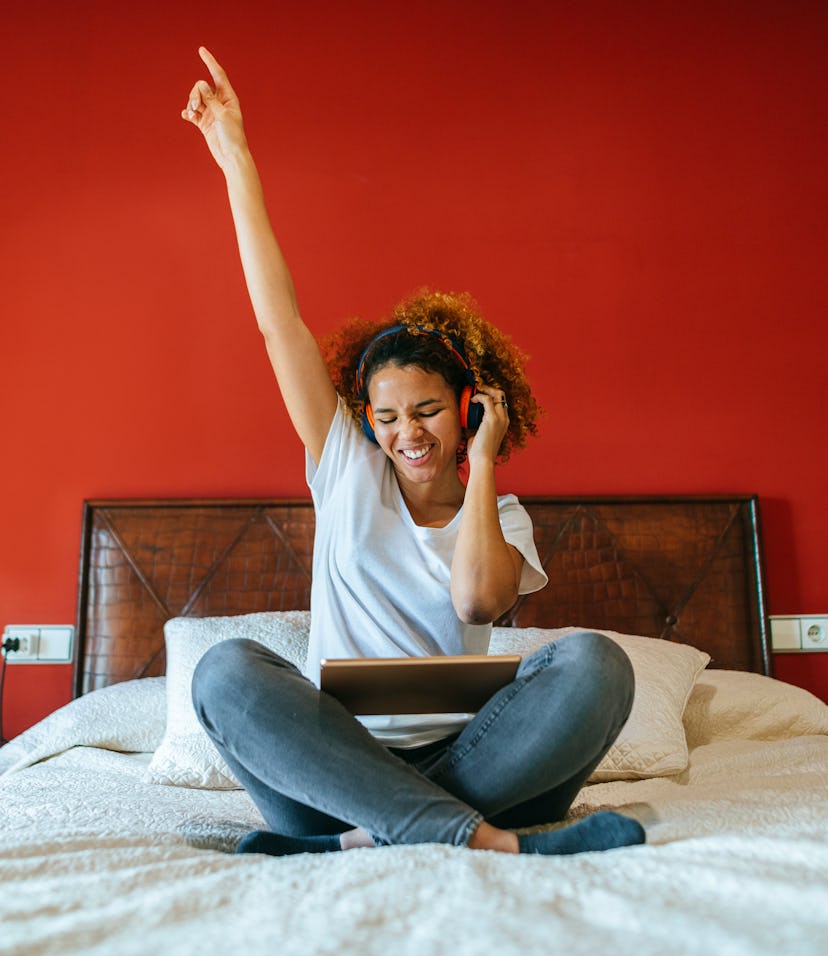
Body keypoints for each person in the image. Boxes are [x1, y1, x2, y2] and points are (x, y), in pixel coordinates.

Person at [183, 47, 644, 857]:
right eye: (388, 416)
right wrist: (236, 162)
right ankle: (483, 842)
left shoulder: (500, 517)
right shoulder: (344, 464)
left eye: (429, 410)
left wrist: (488, 455)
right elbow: (278, 323)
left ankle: (372, 839)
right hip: (327, 774)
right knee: (225, 671)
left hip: (469, 762)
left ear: (468, 407)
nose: (408, 434)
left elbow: (475, 603)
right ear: (366, 420)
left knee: (598, 667)